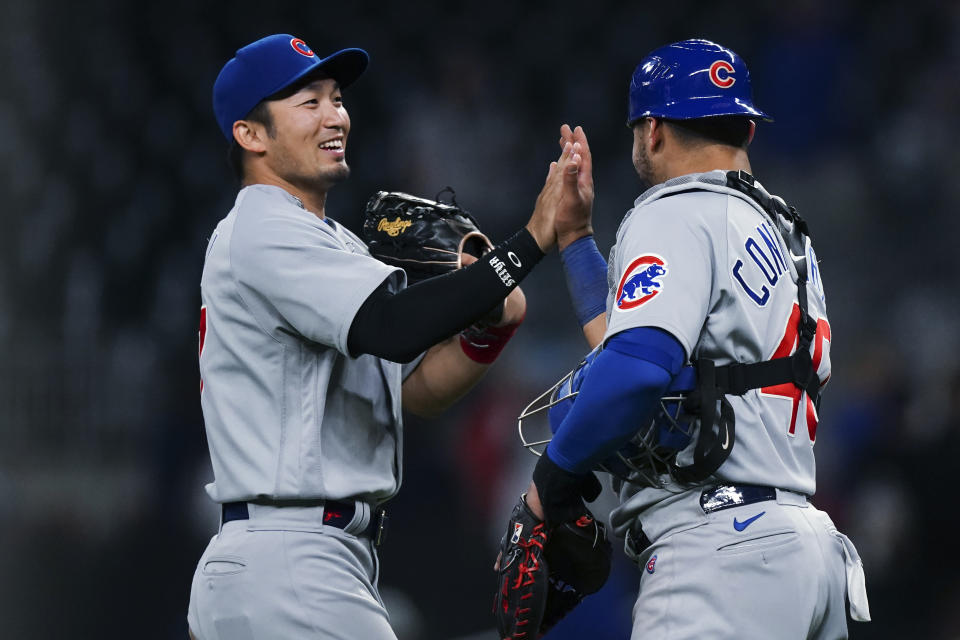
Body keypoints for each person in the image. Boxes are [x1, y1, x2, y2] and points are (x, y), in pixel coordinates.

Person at [187, 33, 586, 640]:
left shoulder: (333, 247)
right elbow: (394, 326)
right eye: (308, 102)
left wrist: (485, 331)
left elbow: (415, 392)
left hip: (297, 561)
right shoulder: (263, 224)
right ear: (251, 135)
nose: (334, 115)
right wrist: (528, 242)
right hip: (292, 560)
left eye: (337, 98)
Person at [515, 39, 871, 638]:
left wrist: (549, 483)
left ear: (651, 130)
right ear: (747, 133)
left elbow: (634, 370)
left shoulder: (675, 209)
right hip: (810, 554)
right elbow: (629, 344)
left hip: (722, 559)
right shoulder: (787, 237)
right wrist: (575, 239)